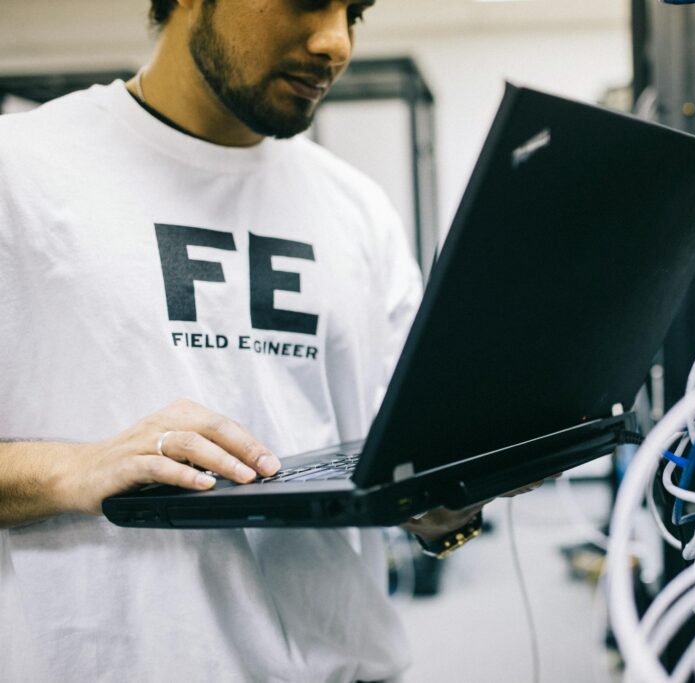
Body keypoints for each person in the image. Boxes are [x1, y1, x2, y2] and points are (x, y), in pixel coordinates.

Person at [0, 1, 501, 680]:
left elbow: (409, 473)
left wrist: (449, 503)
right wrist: (73, 468)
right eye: (305, 0)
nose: (335, 44)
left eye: (354, 11)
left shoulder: (359, 210)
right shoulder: (19, 171)